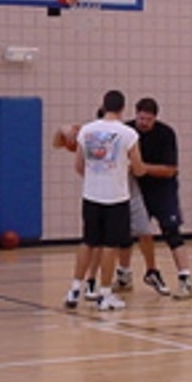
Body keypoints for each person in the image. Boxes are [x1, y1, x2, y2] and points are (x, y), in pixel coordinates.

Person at [63, 91, 146, 312]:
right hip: (116, 197)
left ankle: (74, 289)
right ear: (123, 108)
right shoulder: (128, 134)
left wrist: (96, 176)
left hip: (91, 194)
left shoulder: (87, 131)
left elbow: (79, 166)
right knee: (110, 246)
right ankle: (105, 293)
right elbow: (138, 168)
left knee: (88, 242)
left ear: (103, 105)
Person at [129, 97, 192, 299]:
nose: (143, 123)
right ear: (136, 114)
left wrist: (141, 167)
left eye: (148, 120)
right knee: (129, 234)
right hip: (138, 190)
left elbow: (170, 169)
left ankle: (185, 279)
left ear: (155, 118)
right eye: (141, 118)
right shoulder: (127, 132)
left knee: (172, 232)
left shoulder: (166, 134)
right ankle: (126, 274)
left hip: (163, 189)